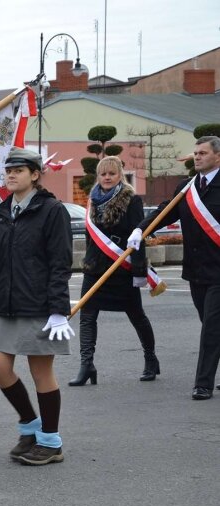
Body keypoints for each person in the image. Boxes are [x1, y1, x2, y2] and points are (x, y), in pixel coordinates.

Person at [0, 147, 73, 466]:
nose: (10, 174)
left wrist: (59, 310)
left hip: (39, 305)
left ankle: (50, 442)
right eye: (8, 170)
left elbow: (60, 263)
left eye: (18, 170)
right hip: (6, 303)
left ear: (35, 175)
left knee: (41, 372)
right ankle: (30, 427)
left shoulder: (52, 210)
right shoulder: (2, 212)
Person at [128, 136, 220, 400]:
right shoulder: (187, 187)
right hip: (196, 270)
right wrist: (141, 228)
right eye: (195, 153)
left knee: (212, 328)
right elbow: (164, 212)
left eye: (202, 153)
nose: (197, 157)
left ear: (218, 156)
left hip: (219, 271)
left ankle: (203, 383)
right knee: (210, 324)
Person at [70, 156, 159, 386]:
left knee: (136, 315)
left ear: (120, 175)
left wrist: (139, 271)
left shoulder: (132, 201)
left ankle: (150, 358)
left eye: (112, 173)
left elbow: (138, 238)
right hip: (95, 267)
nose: (107, 177)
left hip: (121, 268)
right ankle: (86, 365)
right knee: (87, 316)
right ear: (98, 176)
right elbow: (91, 237)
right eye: (103, 174)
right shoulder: (92, 200)